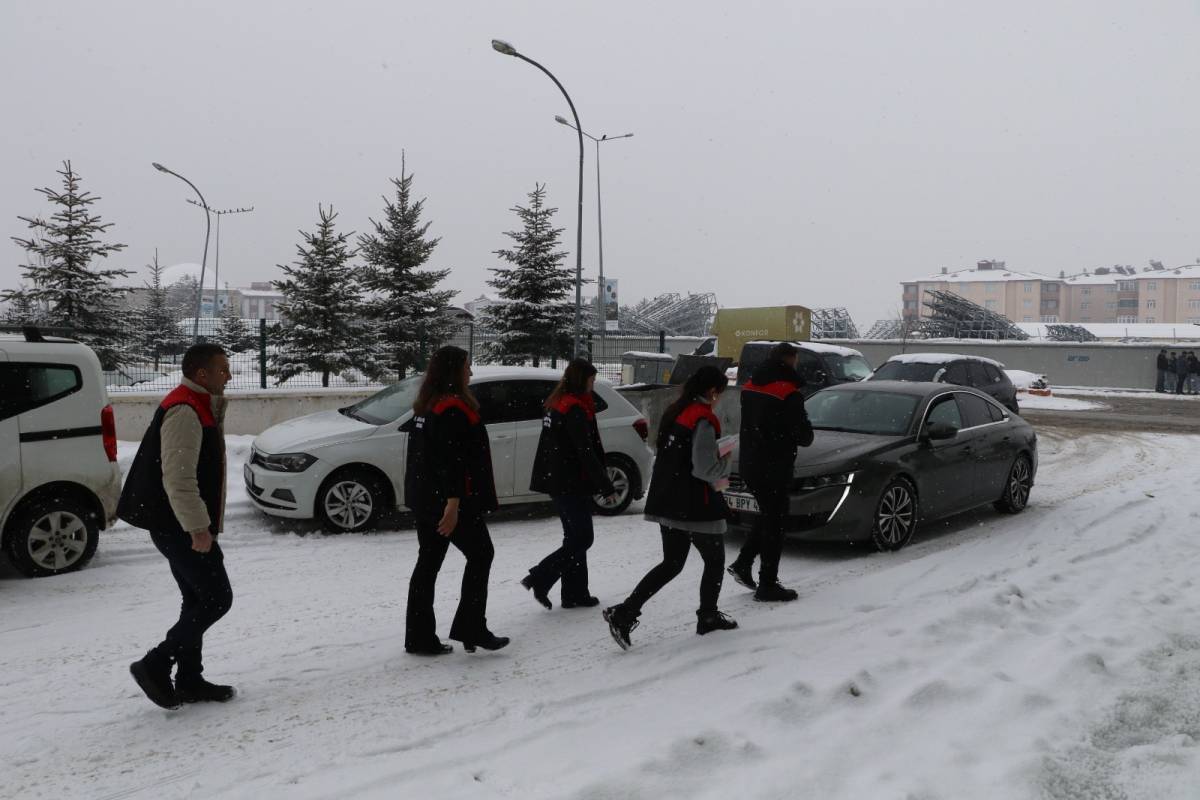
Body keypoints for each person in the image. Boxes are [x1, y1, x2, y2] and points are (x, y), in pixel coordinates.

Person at [121, 343, 235, 709]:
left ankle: (189, 679)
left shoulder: (196, 403)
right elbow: (179, 478)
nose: (229, 376)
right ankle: (155, 663)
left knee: (197, 599)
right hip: (179, 526)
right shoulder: (186, 410)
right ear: (202, 374)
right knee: (217, 599)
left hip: (176, 523)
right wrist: (198, 528)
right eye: (223, 369)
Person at [603, 366, 737, 650]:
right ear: (713, 391)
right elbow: (704, 469)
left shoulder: (676, 411)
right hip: (695, 504)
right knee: (714, 561)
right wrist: (725, 459)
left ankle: (624, 613)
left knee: (672, 563)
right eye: (720, 393)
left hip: (668, 500)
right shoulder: (703, 418)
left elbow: (675, 456)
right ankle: (708, 616)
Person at [403, 346, 509, 655]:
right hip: (450, 502)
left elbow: (425, 458)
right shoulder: (451, 409)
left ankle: (420, 637)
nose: (470, 373)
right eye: (466, 367)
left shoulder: (427, 405)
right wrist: (452, 504)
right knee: (481, 554)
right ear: (453, 371)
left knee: (428, 564)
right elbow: (451, 461)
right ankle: (471, 627)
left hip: (426, 498)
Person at [522, 358, 617, 610]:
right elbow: (585, 450)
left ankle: (575, 593)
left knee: (574, 537)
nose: (593, 384)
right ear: (581, 380)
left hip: (559, 479)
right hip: (571, 482)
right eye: (591, 380)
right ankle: (540, 577)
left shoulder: (557, 403)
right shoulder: (574, 408)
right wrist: (605, 485)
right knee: (583, 538)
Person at [727, 342, 814, 602]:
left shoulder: (750, 386)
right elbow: (804, 436)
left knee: (769, 515)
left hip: (750, 462)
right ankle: (767, 583)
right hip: (775, 466)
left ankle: (743, 564)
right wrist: (800, 429)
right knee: (775, 523)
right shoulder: (788, 393)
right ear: (791, 360)